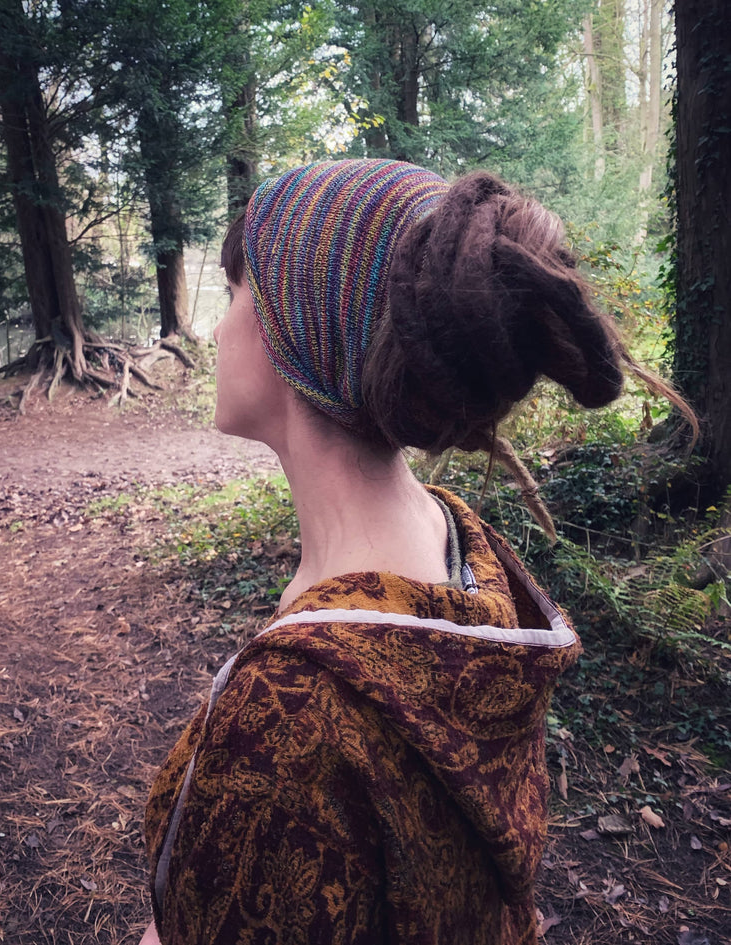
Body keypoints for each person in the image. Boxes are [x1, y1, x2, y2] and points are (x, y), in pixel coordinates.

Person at [138, 159, 693, 945]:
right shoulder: (462, 545)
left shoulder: (288, 724)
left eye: (237, 293)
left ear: (299, 332)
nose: (222, 325)